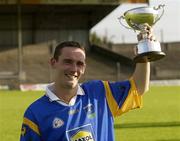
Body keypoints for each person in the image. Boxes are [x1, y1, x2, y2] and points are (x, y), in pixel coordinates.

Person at [20, 25, 153, 141]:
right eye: (68, 62)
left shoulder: (100, 92)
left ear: (84, 67)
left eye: (79, 64)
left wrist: (144, 52)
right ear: (53, 63)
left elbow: (139, 87)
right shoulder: (35, 113)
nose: (74, 69)